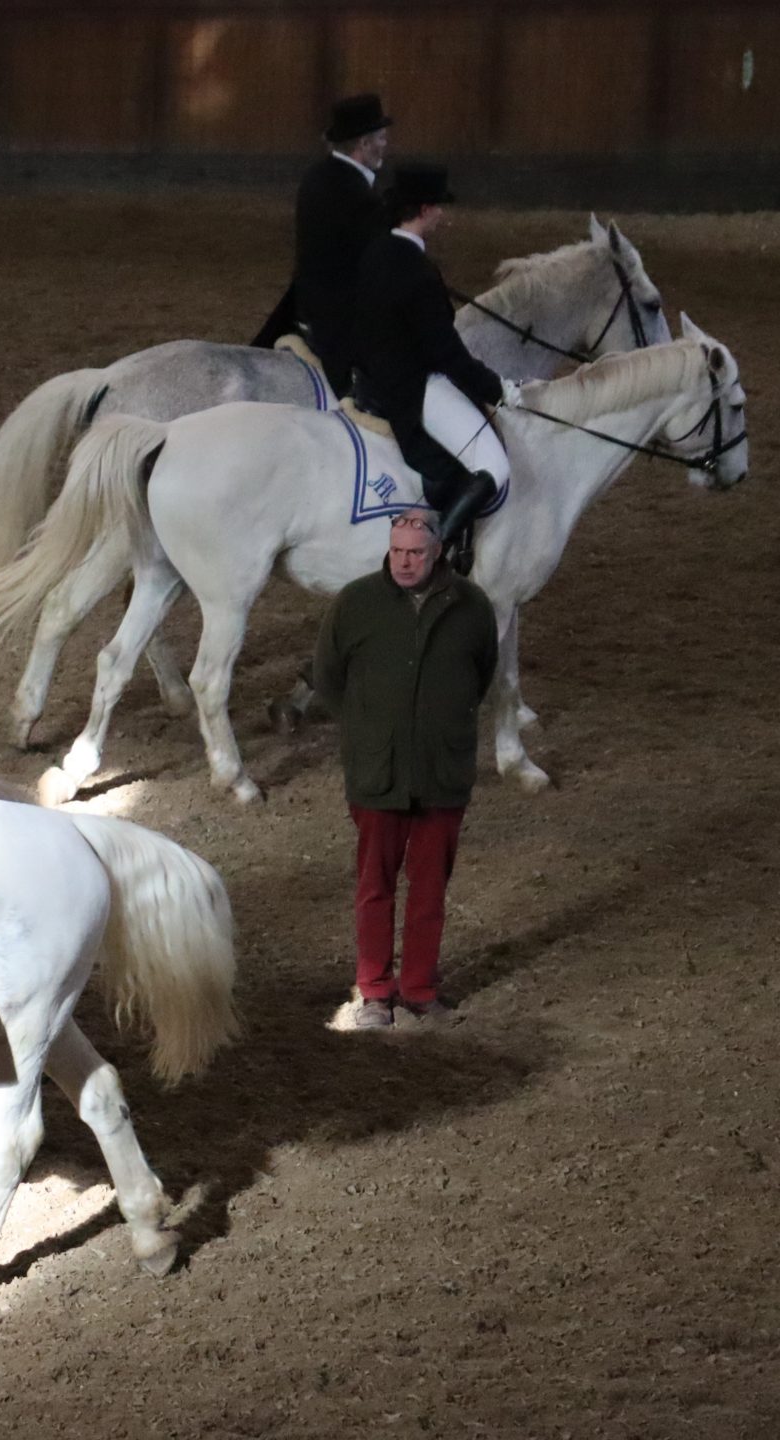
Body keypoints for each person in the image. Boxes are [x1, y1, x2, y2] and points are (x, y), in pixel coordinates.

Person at [313, 513, 498, 1032]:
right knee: (375, 885)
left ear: (437, 552)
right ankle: (374, 991)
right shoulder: (355, 604)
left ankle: (419, 990)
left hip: (441, 773)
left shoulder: (472, 607)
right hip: (378, 773)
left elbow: (481, 676)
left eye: (415, 552)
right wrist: (371, 729)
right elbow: (329, 680)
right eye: (397, 550)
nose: (404, 561)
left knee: (429, 887)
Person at [351, 162, 519, 577]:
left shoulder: (376, 250)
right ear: (424, 209)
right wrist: (497, 389)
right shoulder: (418, 271)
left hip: (370, 376)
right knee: (494, 469)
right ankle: (438, 555)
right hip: (411, 387)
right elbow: (447, 354)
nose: (443, 215)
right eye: (439, 208)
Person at [251, 92, 394, 388]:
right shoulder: (356, 194)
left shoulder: (318, 175)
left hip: (304, 301)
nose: (385, 144)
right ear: (363, 143)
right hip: (339, 320)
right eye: (380, 138)